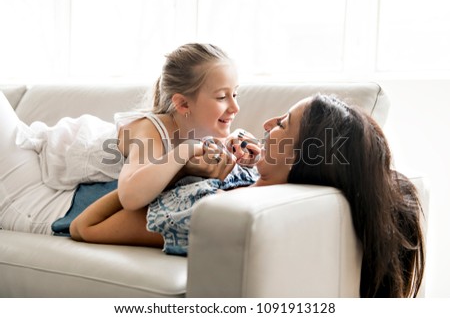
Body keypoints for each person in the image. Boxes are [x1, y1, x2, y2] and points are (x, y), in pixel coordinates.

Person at [70, 94, 425, 297]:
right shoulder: (260, 185)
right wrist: (260, 167)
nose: (267, 124)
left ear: (300, 160)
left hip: (61, 192)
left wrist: (178, 166)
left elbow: (84, 226)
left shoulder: (205, 209)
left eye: (283, 123)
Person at [0, 43, 246, 235]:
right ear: (182, 104)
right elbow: (130, 195)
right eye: (223, 97)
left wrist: (235, 145)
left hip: (52, 176)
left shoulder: (193, 129)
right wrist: (188, 151)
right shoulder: (151, 130)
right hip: (32, 169)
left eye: (235, 94)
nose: (235, 106)